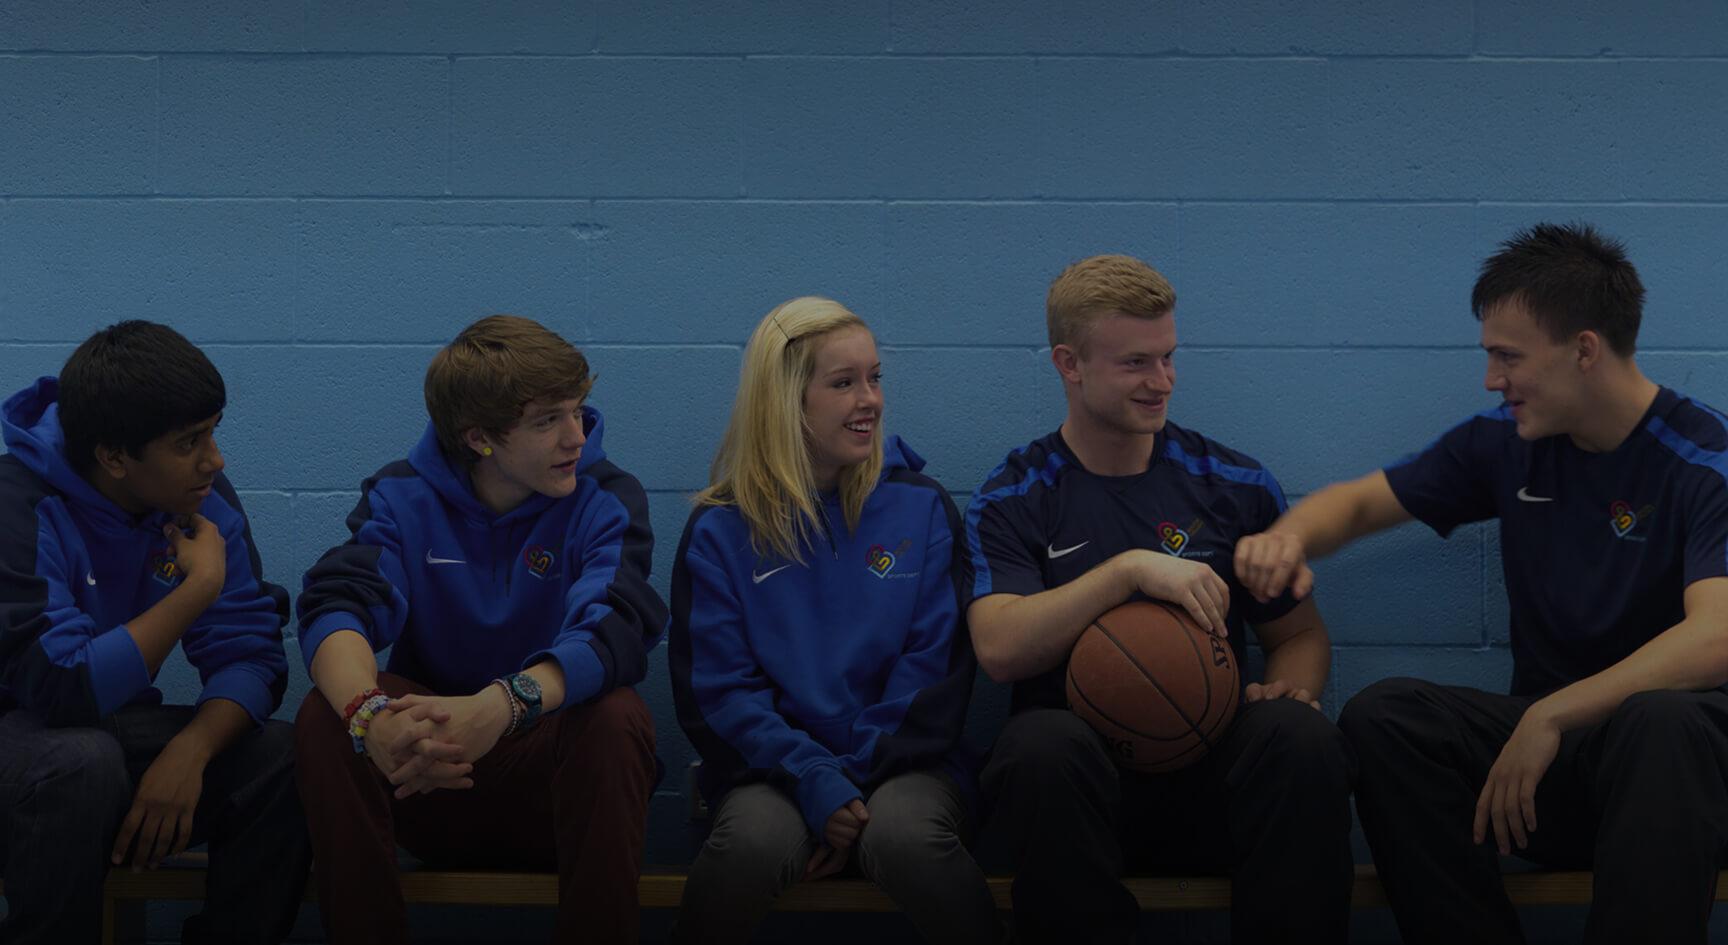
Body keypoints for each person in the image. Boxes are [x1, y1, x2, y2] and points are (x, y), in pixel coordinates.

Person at [1237, 222, 1728, 944]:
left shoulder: (1705, 460)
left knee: (1664, 718)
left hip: (1677, 781)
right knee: (1384, 717)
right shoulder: (1508, 440)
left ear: (1584, 349)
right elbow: (1362, 504)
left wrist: (1550, 715)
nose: (1493, 379)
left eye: (1508, 357)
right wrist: (1289, 538)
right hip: (1549, 771)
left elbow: (1717, 637)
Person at [967, 255, 1354, 944]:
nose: (1162, 381)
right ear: (1069, 363)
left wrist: (1291, 687)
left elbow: (1298, 635)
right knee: (1038, 746)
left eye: (1169, 358)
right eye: (1136, 363)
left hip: (1212, 782)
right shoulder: (1014, 496)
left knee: (1302, 737)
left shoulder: (1233, 485)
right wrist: (1127, 572)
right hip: (1084, 798)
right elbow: (999, 649)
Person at [0, 321, 307, 944]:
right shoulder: (8, 505)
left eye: (213, 432)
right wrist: (197, 590)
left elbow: (254, 657)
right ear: (114, 457)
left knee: (284, 756)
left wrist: (191, 752)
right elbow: (62, 687)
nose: (214, 460)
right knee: (82, 763)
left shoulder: (202, 497)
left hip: (97, 744)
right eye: (189, 442)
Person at [291, 314, 664, 945]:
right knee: (328, 715)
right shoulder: (401, 496)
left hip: (548, 795)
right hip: (426, 780)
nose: (577, 436)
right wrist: (369, 716)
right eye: (547, 421)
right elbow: (340, 603)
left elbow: (616, 625)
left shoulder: (605, 497)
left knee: (617, 714)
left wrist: (503, 705)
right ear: (479, 438)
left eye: (578, 411)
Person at [667, 297, 1003, 945]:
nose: (870, 399)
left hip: (906, 766)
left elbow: (934, 672)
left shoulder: (921, 507)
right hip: (774, 772)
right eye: (844, 383)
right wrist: (813, 778)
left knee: (904, 838)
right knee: (748, 846)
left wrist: (848, 785)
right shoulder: (720, 529)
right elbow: (720, 692)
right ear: (784, 401)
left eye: (874, 378)